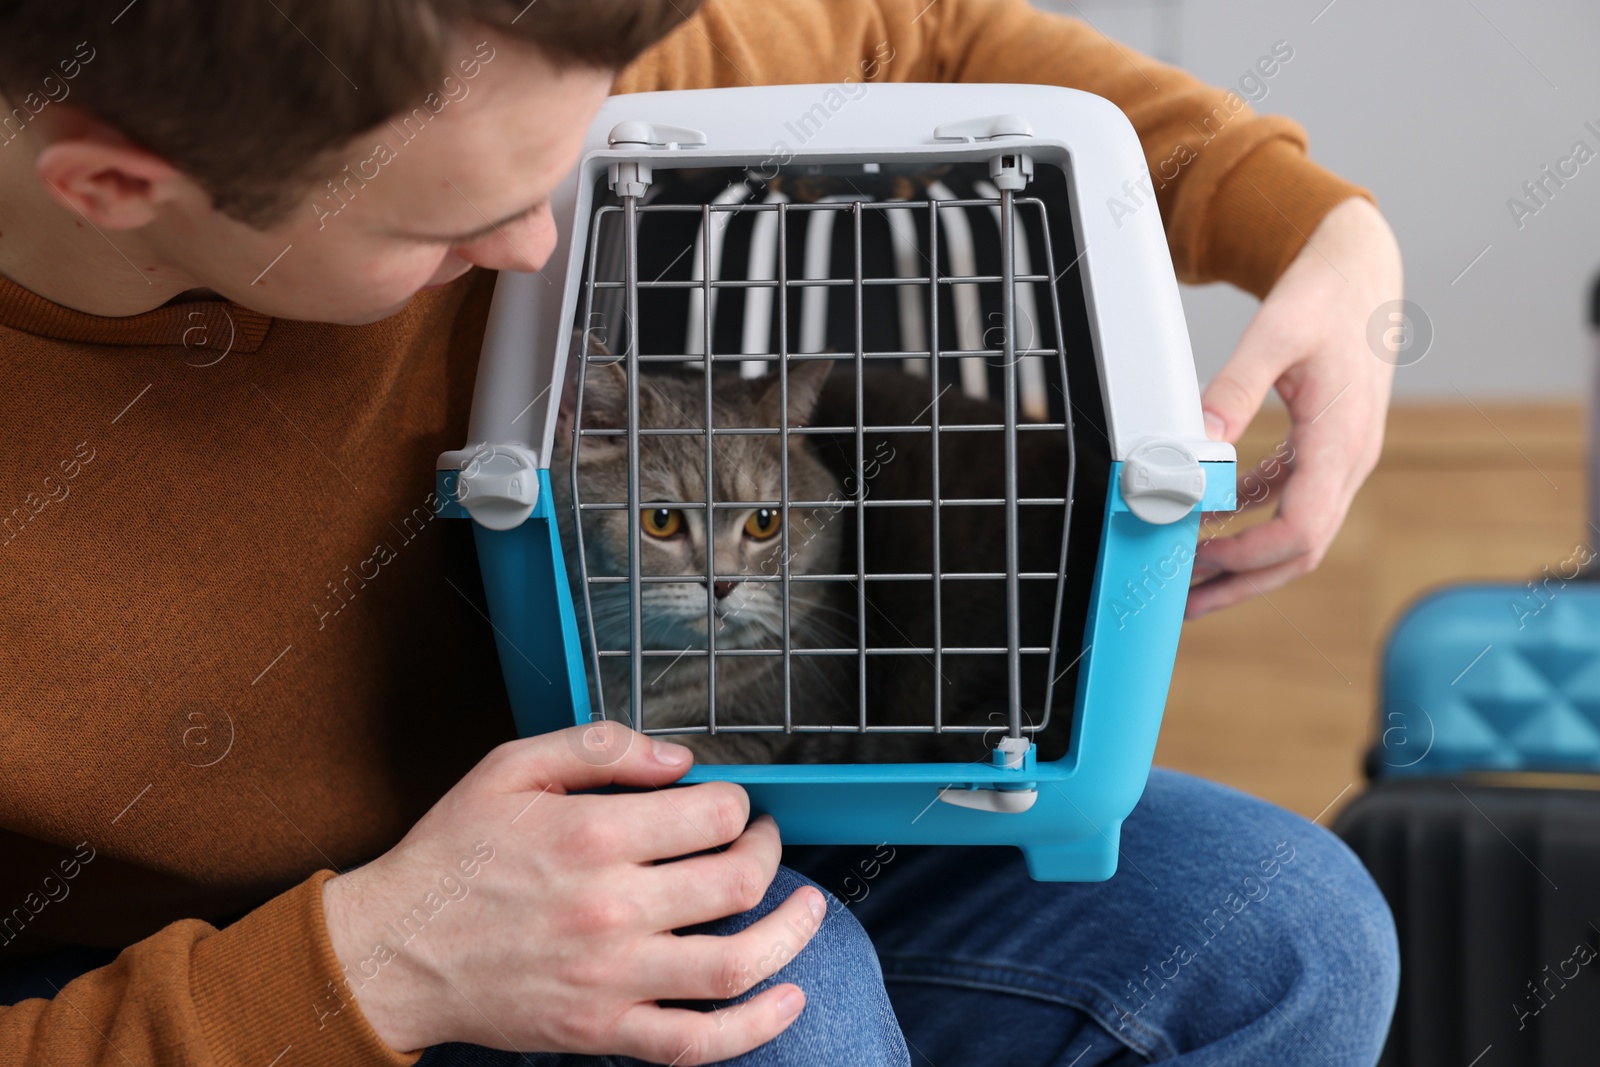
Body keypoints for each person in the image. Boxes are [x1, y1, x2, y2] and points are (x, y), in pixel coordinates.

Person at [0, 1, 1401, 1063]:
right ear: (115, 187)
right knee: (781, 1001)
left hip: (670, 815)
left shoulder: (477, 61)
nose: (544, 250)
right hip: (211, 977)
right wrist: (358, 970)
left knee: (1287, 926)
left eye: (553, 177)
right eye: (457, 227)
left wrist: (1330, 237)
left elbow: (932, 34)